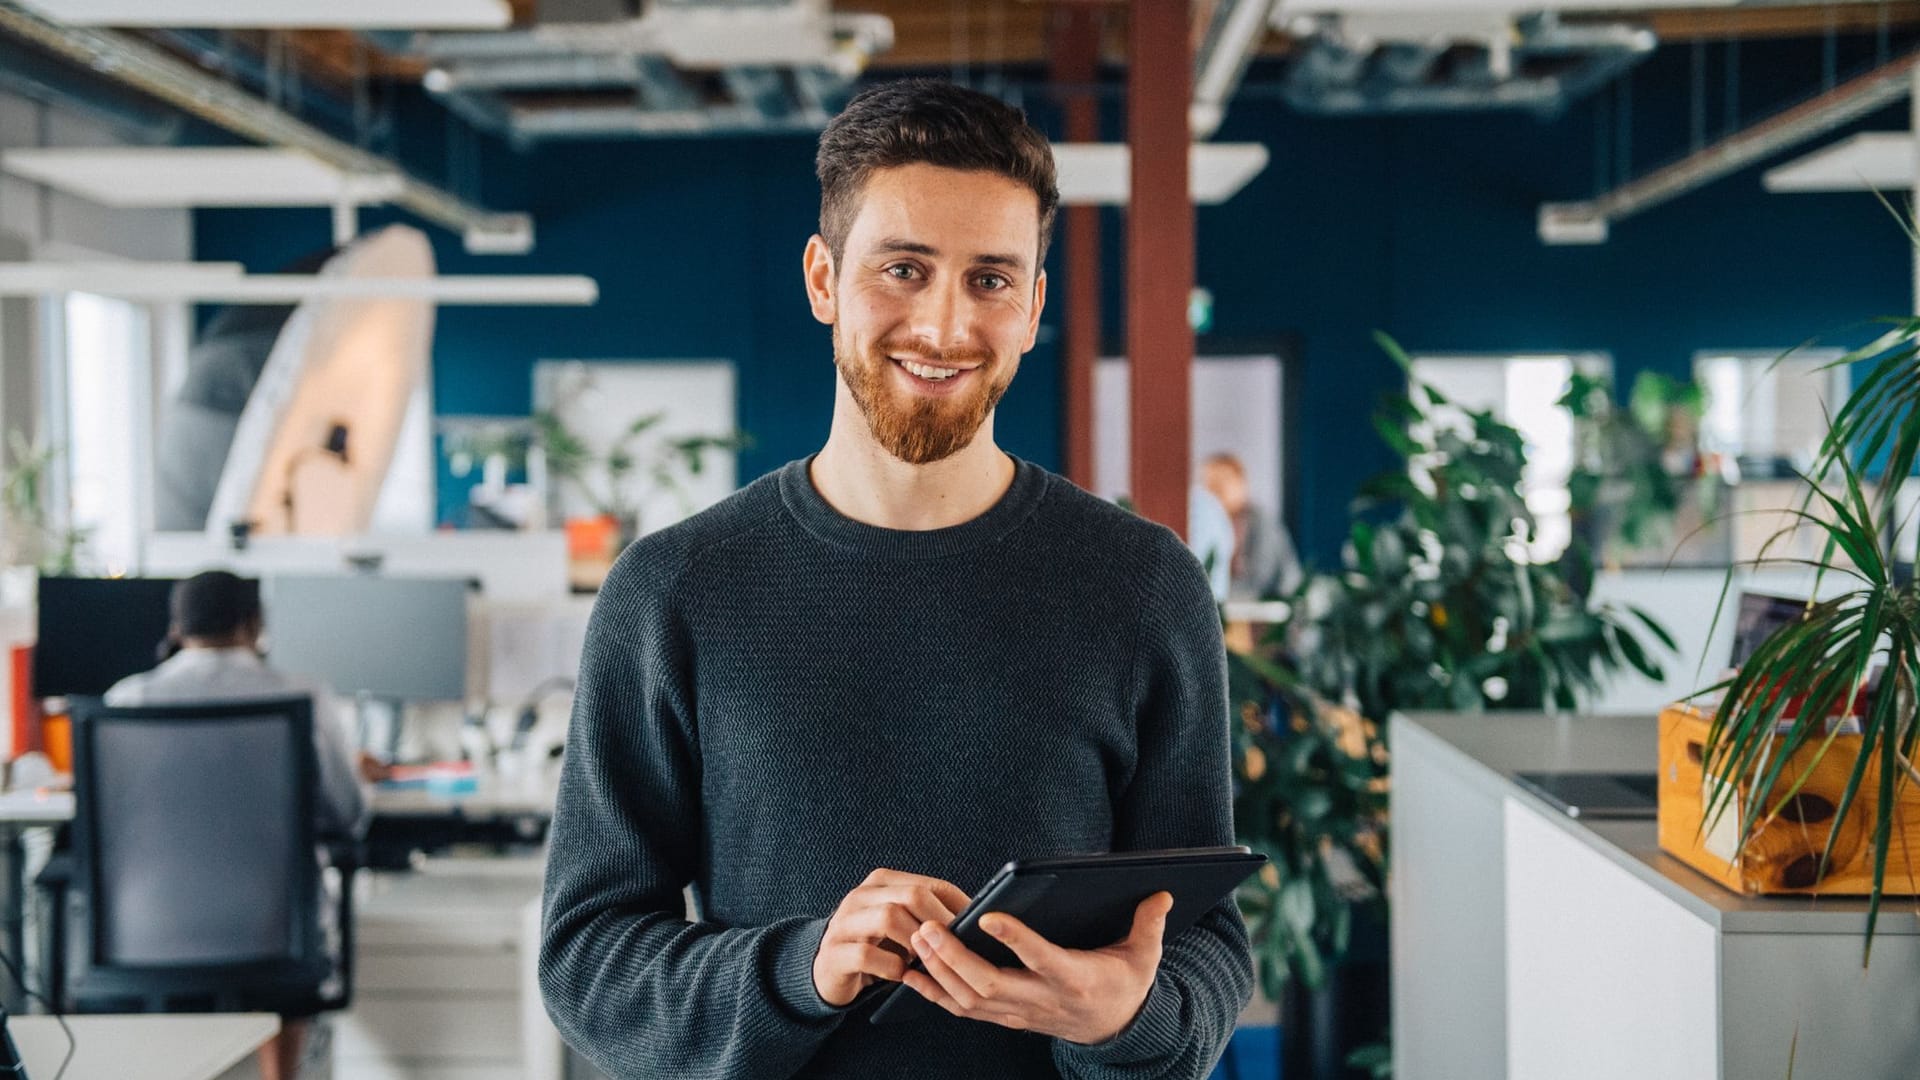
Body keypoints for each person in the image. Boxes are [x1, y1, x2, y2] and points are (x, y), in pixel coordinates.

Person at [539, 79, 1252, 1080]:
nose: (946, 326)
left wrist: (1128, 1018)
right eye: (904, 270)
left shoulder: (1143, 588)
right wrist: (797, 970)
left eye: (991, 280)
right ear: (824, 279)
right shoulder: (675, 591)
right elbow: (587, 961)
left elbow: (1204, 943)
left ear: (1035, 304)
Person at [104, 570, 372, 1080]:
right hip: (275, 934)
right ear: (254, 625)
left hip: (148, 934)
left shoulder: (127, 700)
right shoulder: (303, 697)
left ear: (177, 629)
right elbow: (348, 815)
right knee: (280, 938)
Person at [1201, 451, 1304, 601]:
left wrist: (1210, 592)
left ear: (1242, 483)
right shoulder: (1212, 524)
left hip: (1276, 610)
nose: (1215, 491)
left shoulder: (1260, 522)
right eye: (1210, 484)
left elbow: (1260, 581)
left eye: (1222, 483)